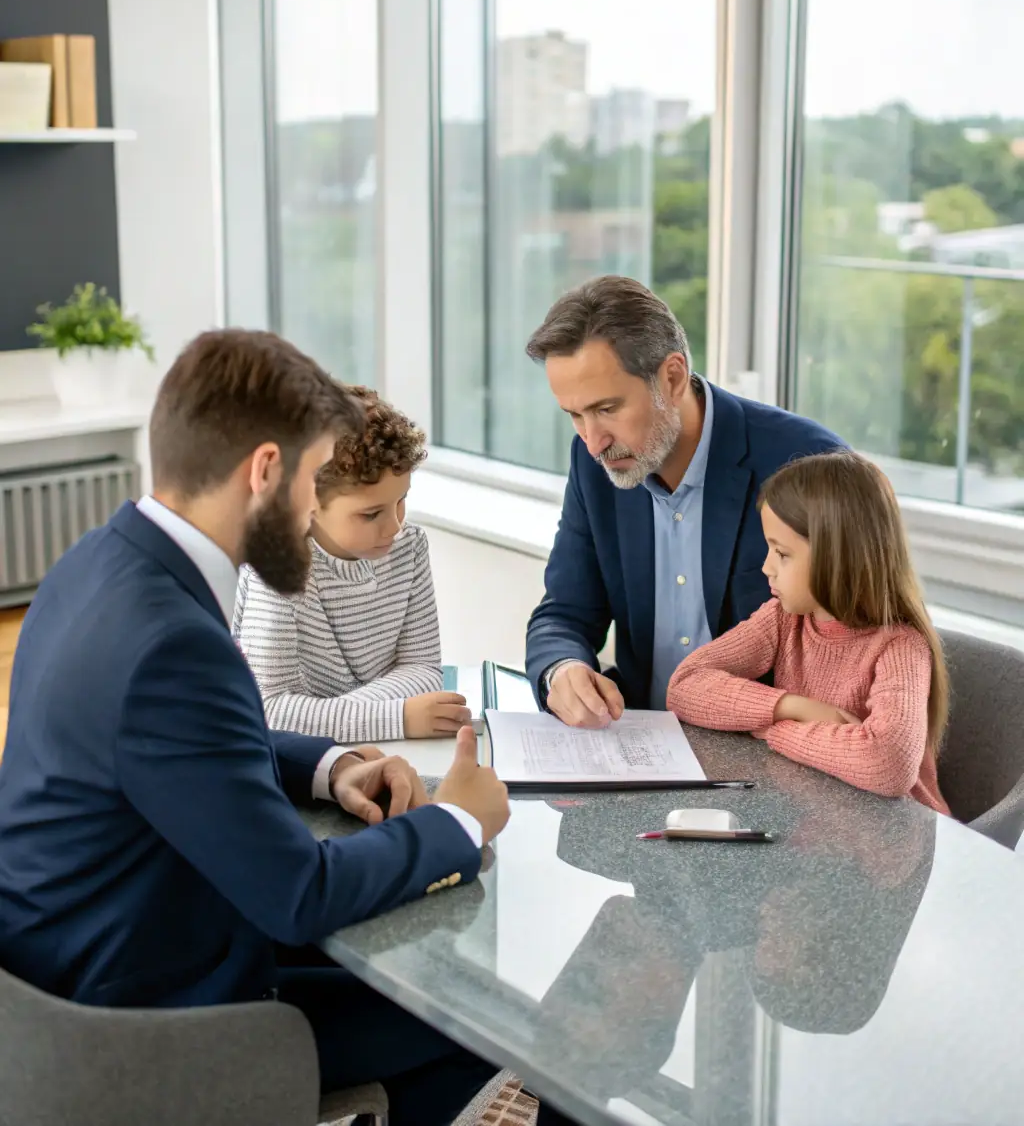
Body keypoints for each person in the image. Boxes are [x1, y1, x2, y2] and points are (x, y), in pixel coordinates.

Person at [0, 329, 573, 1126]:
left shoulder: (98, 563)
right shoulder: (174, 642)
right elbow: (299, 894)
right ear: (266, 470)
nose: (311, 510)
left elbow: (183, 748)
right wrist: (460, 818)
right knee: (482, 1021)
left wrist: (330, 764)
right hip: (138, 1019)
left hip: (77, 963)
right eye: (312, 480)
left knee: (412, 980)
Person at [524, 275, 844, 725]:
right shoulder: (593, 461)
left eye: (607, 409)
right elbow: (564, 612)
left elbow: (851, 647)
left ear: (672, 377)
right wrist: (563, 670)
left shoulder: (806, 464)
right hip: (639, 745)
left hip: (767, 752)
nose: (594, 441)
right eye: (575, 415)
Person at [668, 452, 950, 812]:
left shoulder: (900, 646)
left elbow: (887, 765)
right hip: (823, 818)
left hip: (894, 840)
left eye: (782, 554)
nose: (767, 568)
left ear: (838, 557)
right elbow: (684, 686)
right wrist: (794, 707)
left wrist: (771, 729)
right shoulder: (785, 620)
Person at [234, 385, 470, 743]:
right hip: (298, 765)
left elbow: (423, 671)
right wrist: (397, 717)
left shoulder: (410, 547)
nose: (395, 526)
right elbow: (270, 711)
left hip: (367, 750)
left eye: (401, 501)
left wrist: (330, 718)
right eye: (371, 513)